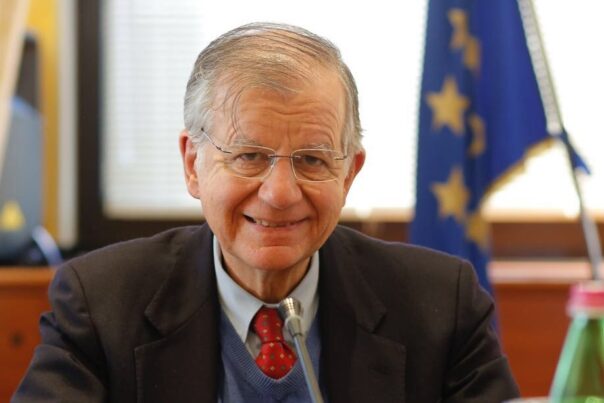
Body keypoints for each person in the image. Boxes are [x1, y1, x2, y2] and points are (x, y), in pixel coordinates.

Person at [12, 22, 519, 402]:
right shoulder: (100, 305)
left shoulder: (441, 305)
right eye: (249, 156)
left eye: (313, 160)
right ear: (193, 165)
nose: (279, 193)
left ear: (349, 174)